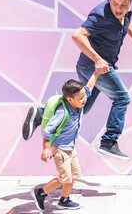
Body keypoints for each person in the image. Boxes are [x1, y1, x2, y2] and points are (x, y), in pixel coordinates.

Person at [22, 0, 132, 160]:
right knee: (122, 97)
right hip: (94, 66)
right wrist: (98, 59)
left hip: (88, 67)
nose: (119, 9)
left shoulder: (124, 11)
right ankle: (109, 141)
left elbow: (127, 21)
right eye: (115, 4)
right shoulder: (100, 15)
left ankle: (41, 113)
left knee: (83, 106)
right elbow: (78, 36)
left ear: (130, 1)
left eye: (123, 5)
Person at [31, 72, 98, 211]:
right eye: (81, 98)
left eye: (83, 97)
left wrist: (96, 73)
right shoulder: (62, 112)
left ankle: (64, 200)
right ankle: (40, 193)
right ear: (69, 99)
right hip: (60, 150)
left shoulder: (78, 102)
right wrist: (45, 149)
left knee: (72, 175)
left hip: (70, 148)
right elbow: (47, 131)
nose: (84, 99)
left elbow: (89, 88)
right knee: (64, 178)